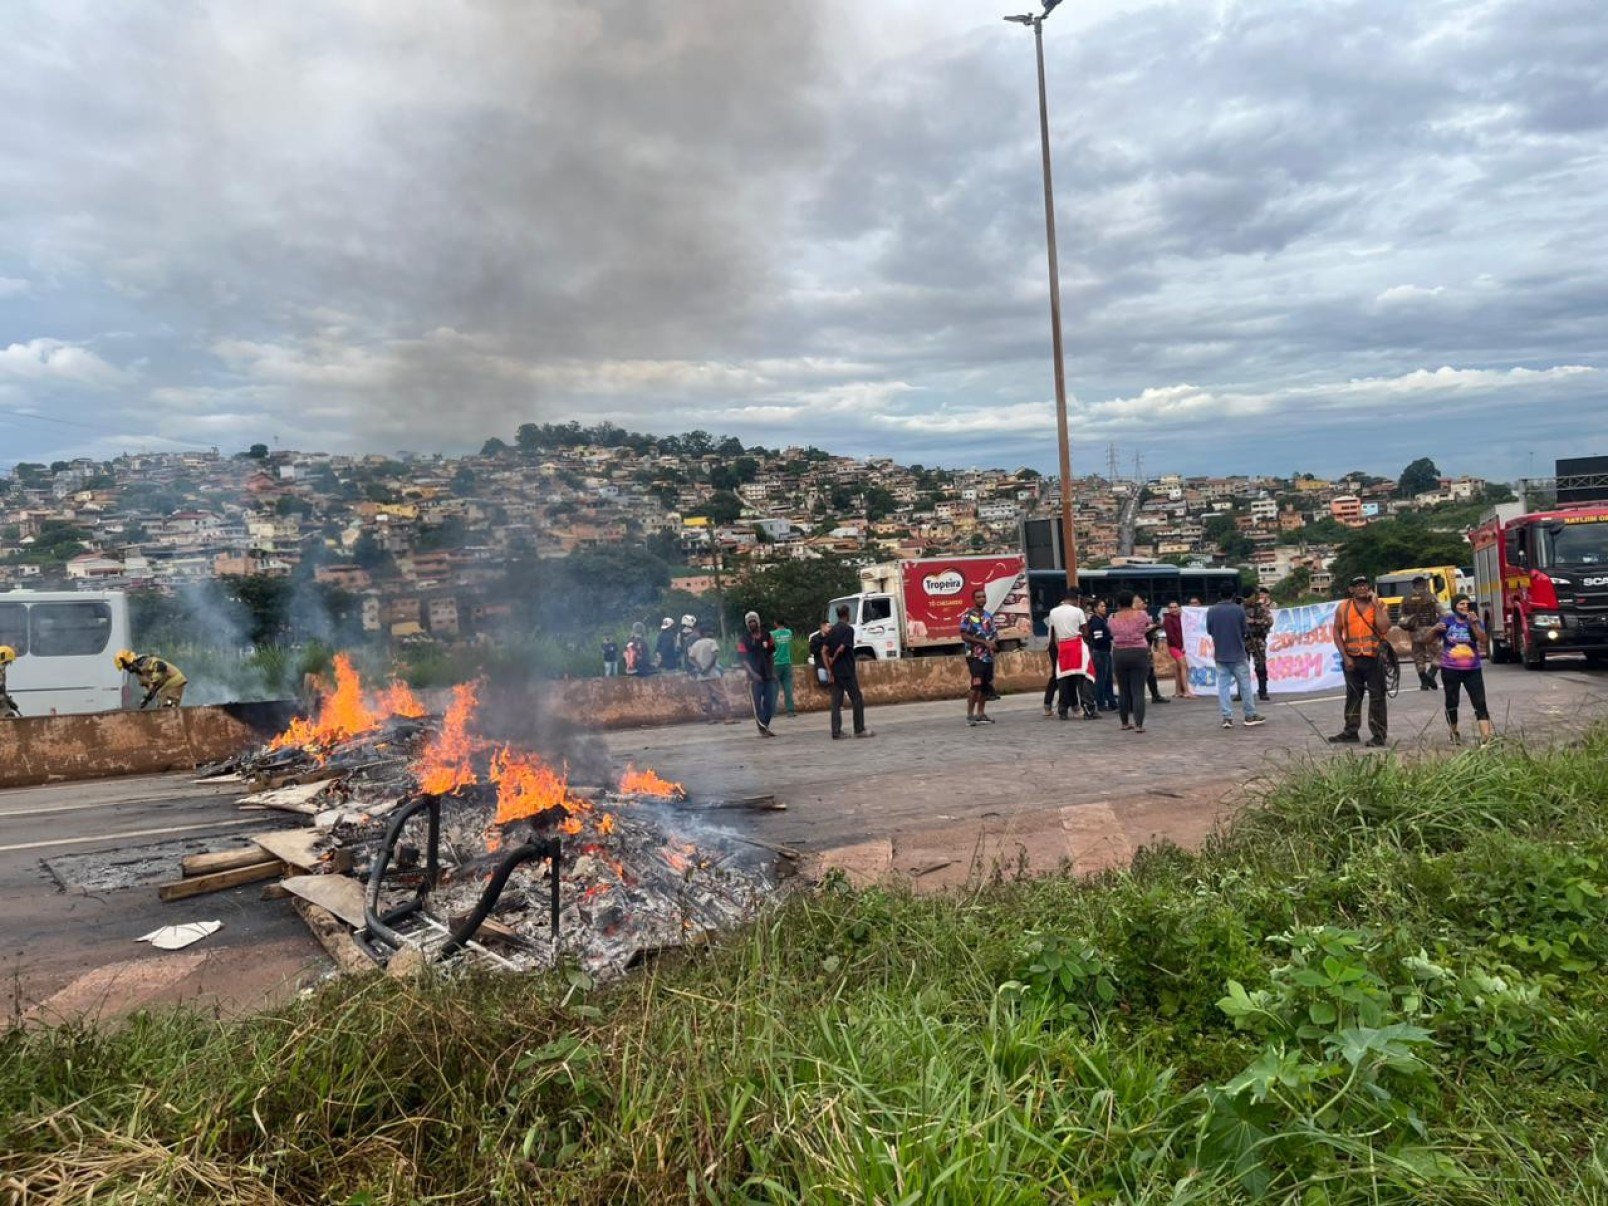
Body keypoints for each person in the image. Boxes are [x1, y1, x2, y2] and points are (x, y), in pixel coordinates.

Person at [1329, 575, 1391, 747]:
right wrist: (1345, 657)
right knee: (1353, 697)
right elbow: (1336, 633)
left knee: (1377, 696)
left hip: (1374, 658)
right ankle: (1350, 731)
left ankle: (1379, 735)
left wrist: (1376, 603)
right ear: (1351, 590)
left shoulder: (1379, 605)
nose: (1363, 588)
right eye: (1358, 586)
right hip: (1352, 659)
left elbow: (1384, 627)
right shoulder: (1343, 607)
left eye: (1365, 585)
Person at [1433, 595, 1493, 746]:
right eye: (1461, 604)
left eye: (1467, 604)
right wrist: (1434, 629)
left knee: (1480, 702)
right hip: (1450, 669)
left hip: (1473, 669)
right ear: (1454, 606)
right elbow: (1427, 639)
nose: (1464, 606)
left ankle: (1486, 737)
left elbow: (1483, 640)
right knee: (1452, 702)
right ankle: (1454, 732)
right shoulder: (1447, 622)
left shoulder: (1474, 621)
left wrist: (1474, 624)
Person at [1206, 585, 1265, 729]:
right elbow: (1245, 630)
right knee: (1245, 685)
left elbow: (1209, 630)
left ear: (1219, 594)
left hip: (1220, 654)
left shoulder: (1211, 610)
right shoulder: (1238, 609)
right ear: (1233, 595)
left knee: (1223, 687)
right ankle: (1250, 715)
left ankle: (1227, 718)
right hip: (1238, 654)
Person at [823, 603, 872, 739]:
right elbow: (842, 648)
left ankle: (836, 732)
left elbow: (824, 651)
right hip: (847, 670)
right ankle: (859, 729)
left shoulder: (832, 630)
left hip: (836, 672)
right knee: (857, 698)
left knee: (836, 703)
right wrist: (834, 659)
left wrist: (830, 670)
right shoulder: (848, 630)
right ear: (847, 614)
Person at [1045, 587, 1095, 720]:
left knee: (1063, 679)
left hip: (1062, 646)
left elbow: (1053, 632)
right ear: (1076, 599)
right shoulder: (1078, 611)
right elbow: (1085, 632)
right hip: (1077, 645)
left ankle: (1062, 710)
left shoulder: (1053, 612)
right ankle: (1087, 707)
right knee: (1082, 678)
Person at [959, 587, 999, 727]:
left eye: (983, 596)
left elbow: (994, 634)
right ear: (973, 599)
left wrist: (994, 644)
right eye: (978, 597)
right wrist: (984, 643)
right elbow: (964, 635)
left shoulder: (989, 616)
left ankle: (981, 713)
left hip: (988, 657)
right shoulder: (967, 616)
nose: (981, 599)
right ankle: (970, 715)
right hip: (975, 656)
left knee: (985, 686)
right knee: (976, 684)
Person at [736, 611, 779, 737]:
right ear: (747, 625)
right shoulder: (744, 639)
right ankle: (762, 729)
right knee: (757, 706)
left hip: (768, 675)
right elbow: (743, 660)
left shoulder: (767, 635)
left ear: (758, 622)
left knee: (770, 703)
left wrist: (773, 671)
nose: (752, 624)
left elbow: (771, 654)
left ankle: (765, 725)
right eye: (749, 622)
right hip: (754, 678)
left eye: (754, 621)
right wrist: (753, 674)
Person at [1399, 576, 1444, 691]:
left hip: (1414, 632)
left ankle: (1424, 682)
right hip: (1430, 630)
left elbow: (1401, 615)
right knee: (1439, 653)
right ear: (1424, 584)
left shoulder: (1406, 598)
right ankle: (1431, 674)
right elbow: (1441, 611)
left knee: (1418, 656)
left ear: (1413, 585)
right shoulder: (1430, 596)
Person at [114, 649, 188, 709]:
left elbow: (161, 666)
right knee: (161, 707)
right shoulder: (139, 673)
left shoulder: (145, 661)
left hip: (174, 681)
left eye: (126, 666)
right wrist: (146, 698)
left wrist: (153, 682)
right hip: (166, 686)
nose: (128, 669)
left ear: (129, 661)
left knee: (168, 708)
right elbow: (151, 687)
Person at [684, 625, 726, 722]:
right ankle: (728, 718)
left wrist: (699, 668)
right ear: (706, 633)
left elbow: (690, 658)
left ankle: (711, 719)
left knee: (706, 698)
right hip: (713, 674)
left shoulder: (695, 643)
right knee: (722, 695)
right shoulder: (711, 642)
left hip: (701, 675)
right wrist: (708, 668)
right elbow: (715, 656)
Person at [1086, 599, 1118, 711]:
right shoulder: (1096, 622)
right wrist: (1112, 635)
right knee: (1101, 679)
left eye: (1104, 606)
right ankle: (1100, 703)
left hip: (1105, 653)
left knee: (1108, 679)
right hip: (1100, 653)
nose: (1104, 608)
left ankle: (1111, 702)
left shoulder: (1101, 620)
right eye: (1101, 606)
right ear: (1095, 609)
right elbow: (1098, 639)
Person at [1244, 587, 1274, 701]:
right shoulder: (1240, 609)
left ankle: (1263, 691)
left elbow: (1270, 621)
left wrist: (1255, 622)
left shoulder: (1261, 608)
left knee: (1260, 666)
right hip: (1244, 641)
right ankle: (1241, 692)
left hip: (1258, 640)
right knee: (1241, 668)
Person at [1161, 600, 1194, 699]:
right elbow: (1171, 636)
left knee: (1178, 667)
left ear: (1179, 608)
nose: (1173, 609)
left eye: (1175, 607)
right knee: (1183, 666)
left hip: (1181, 646)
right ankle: (1186, 691)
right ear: (1168, 609)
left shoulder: (1181, 618)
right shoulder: (1167, 619)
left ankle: (1178, 691)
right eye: (1171, 607)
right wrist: (1181, 646)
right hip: (1174, 647)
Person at [770, 620, 797, 717]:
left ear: (775, 623)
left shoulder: (772, 634)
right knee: (788, 688)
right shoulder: (789, 632)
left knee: (774, 688)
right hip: (787, 663)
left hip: (776, 663)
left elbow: (770, 647)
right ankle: (790, 711)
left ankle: (773, 712)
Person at [808, 619, 833, 691]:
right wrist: (823, 649)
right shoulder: (814, 638)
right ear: (822, 626)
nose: (830, 629)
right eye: (828, 627)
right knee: (824, 684)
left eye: (830, 627)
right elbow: (812, 651)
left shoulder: (831, 637)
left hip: (831, 666)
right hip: (820, 666)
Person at [0, 645, 20, 718]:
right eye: (7, 662)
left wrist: (9, 701)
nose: (8, 664)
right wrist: (9, 701)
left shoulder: (2, 671)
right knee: (8, 716)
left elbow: (2, 689)